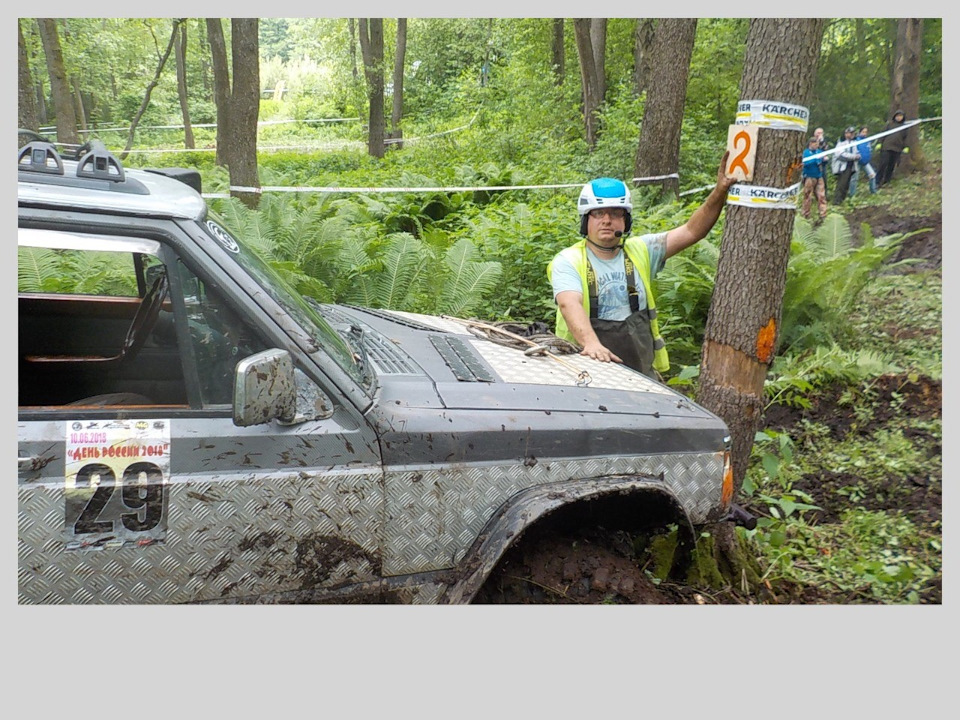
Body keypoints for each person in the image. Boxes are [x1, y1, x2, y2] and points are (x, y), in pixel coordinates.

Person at [546, 154, 737, 378]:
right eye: (598, 213)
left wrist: (720, 191)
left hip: (639, 371)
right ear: (585, 220)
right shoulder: (568, 261)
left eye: (616, 213)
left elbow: (692, 231)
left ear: (626, 221)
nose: (607, 220)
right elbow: (570, 304)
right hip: (584, 367)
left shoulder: (642, 250)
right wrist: (592, 344)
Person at [876, 109, 909, 187]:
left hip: (897, 149)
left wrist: (905, 146)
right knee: (883, 164)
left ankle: (886, 182)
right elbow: (882, 134)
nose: (899, 117)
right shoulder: (889, 124)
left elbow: (905, 138)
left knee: (891, 165)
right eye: (897, 116)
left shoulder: (904, 127)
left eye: (900, 116)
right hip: (886, 147)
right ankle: (877, 181)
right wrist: (879, 143)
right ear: (895, 116)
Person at [801, 135, 828, 222]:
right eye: (815, 144)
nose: (817, 145)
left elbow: (823, 162)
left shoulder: (819, 151)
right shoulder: (806, 152)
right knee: (808, 195)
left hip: (819, 176)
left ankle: (823, 214)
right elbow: (806, 163)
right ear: (811, 144)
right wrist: (815, 159)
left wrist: (824, 160)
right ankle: (806, 214)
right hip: (809, 177)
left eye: (817, 144)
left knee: (821, 196)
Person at [831, 126, 860, 204]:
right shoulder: (841, 142)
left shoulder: (854, 143)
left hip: (851, 165)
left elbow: (856, 151)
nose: (852, 134)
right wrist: (853, 156)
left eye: (853, 133)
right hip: (842, 166)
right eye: (850, 133)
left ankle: (843, 199)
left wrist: (857, 155)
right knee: (841, 184)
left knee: (847, 184)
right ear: (846, 134)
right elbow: (840, 154)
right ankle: (837, 200)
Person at [849, 125, 877, 197]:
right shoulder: (855, 140)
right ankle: (852, 194)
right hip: (856, 161)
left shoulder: (867, 140)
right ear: (860, 132)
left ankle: (873, 191)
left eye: (866, 132)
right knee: (854, 178)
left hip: (865, 162)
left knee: (872, 175)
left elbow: (869, 150)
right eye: (863, 132)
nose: (864, 133)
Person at [813, 127, 831, 194]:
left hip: (822, 164)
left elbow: (826, 149)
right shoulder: (812, 141)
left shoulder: (824, 141)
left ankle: (824, 195)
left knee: (823, 179)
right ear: (815, 134)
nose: (819, 134)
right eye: (818, 133)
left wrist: (821, 141)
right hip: (813, 164)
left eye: (821, 133)